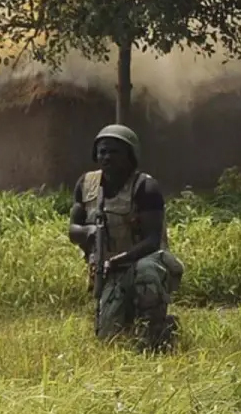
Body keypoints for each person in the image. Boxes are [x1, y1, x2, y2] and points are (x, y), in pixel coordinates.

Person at [68, 124, 185, 352]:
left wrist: (120, 259)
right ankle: (133, 320)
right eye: (102, 152)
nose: (106, 157)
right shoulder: (86, 185)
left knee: (146, 273)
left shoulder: (145, 187)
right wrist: (89, 233)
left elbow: (152, 241)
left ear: (130, 156)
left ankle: (158, 332)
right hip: (109, 269)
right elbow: (73, 230)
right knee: (108, 338)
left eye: (114, 152)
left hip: (146, 260)